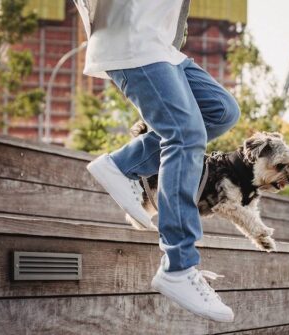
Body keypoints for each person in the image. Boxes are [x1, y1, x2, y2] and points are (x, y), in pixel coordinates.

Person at [73, 0, 240, 323]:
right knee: (185, 135)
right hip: (132, 42)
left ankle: (123, 165)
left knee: (221, 111)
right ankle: (178, 264)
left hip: (162, 47)